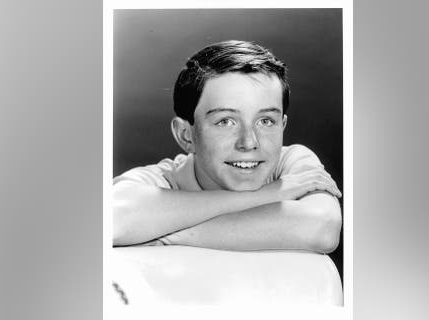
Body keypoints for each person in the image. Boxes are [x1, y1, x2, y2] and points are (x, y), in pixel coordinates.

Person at [112, 40, 342, 253]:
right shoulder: (160, 180)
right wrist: (273, 194)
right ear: (186, 135)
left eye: (265, 121)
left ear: (282, 125)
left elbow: (323, 227)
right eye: (225, 121)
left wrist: (166, 236)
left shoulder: (291, 162)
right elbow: (111, 221)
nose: (249, 142)